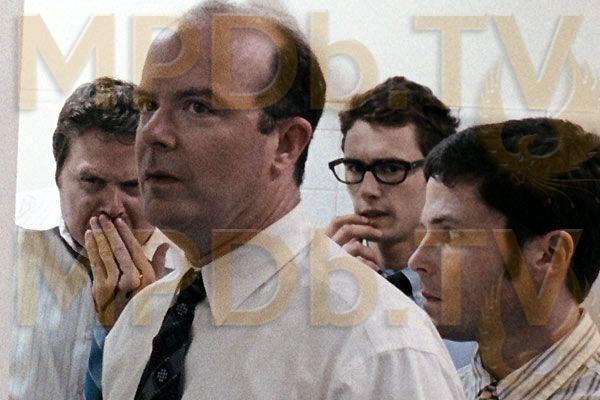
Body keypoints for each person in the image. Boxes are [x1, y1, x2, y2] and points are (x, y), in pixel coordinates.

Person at [102, 2, 465, 399]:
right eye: (148, 105)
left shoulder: (376, 349)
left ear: (286, 144)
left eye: (198, 107)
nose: (153, 133)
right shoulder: (136, 327)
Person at [11, 77, 179, 400]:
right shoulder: (11, 235)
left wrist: (134, 332)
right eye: (92, 181)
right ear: (58, 177)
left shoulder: (191, 271)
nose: (113, 206)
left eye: (132, 186)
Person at [409, 118, 600, 398]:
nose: (416, 261)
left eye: (450, 234)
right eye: (424, 232)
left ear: (549, 255)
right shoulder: (440, 390)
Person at [326, 76, 459, 299]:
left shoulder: (473, 292)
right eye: (355, 168)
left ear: (438, 174)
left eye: (390, 168)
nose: (367, 190)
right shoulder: (323, 275)